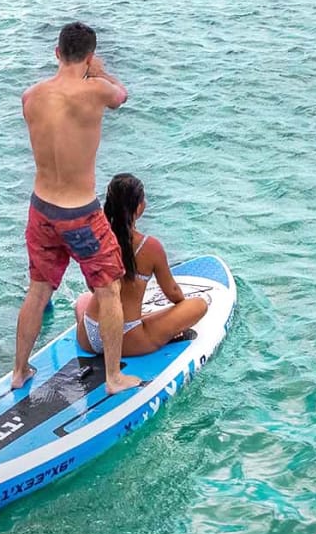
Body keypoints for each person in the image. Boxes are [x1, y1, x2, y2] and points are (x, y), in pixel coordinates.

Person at [12, 22, 142, 395]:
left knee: (38, 291)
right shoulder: (96, 90)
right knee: (108, 291)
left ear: (56, 53)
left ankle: (19, 371)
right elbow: (122, 96)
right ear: (88, 56)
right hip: (80, 215)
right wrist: (99, 71)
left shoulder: (30, 97)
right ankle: (114, 378)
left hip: (41, 211)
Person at [75, 174, 208, 358]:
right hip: (126, 339)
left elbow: (91, 285)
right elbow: (172, 292)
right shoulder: (150, 246)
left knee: (83, 299)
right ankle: (156, 327)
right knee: (198, 305)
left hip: (87, 335)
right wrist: (177, 314)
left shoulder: (97, 238)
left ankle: (141, 318)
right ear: (138, 207)